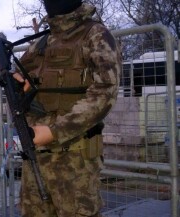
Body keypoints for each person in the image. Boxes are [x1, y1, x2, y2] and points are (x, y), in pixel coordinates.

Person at [14, 0, 122, 216]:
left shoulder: (95, 35)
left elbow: (105, 91)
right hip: (35, 161)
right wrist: (17, 84)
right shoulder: (41, 43)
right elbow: (20, 85)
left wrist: (55, 132)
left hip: (75, 162)